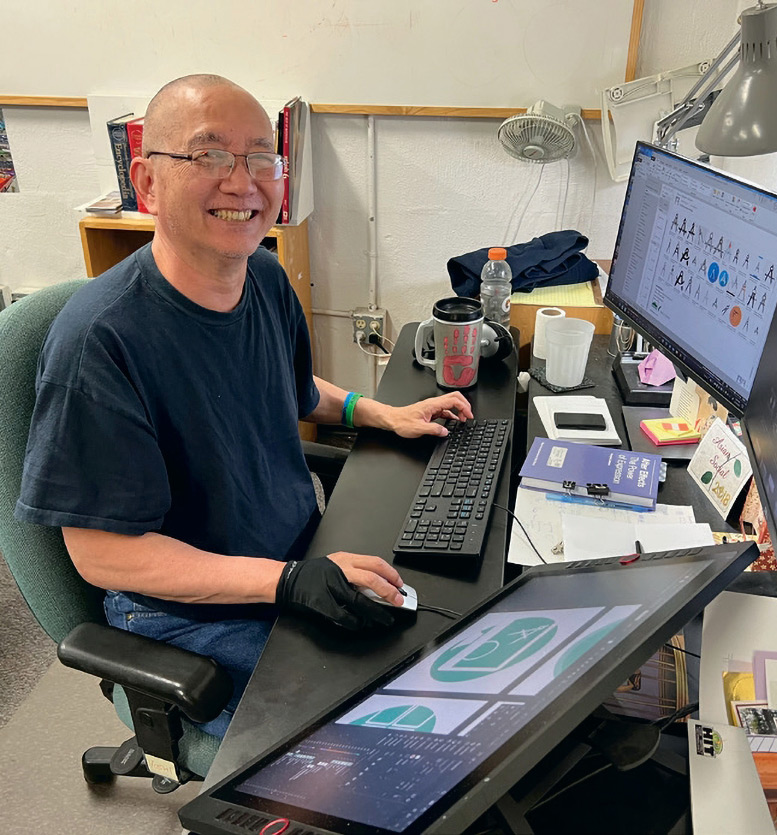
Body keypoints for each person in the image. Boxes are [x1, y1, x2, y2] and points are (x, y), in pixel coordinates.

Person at [15, 74, 472, 737]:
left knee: (455, 651)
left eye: (262, 157)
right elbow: (103, 556)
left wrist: (380, 413)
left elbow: (295, 388)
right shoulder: (100, 342)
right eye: (210, 155)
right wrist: (286, 582)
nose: (243, 182)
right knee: (386, 740)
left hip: (296, 557)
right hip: (188, 616)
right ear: (147, 183)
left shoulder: (263, 276)